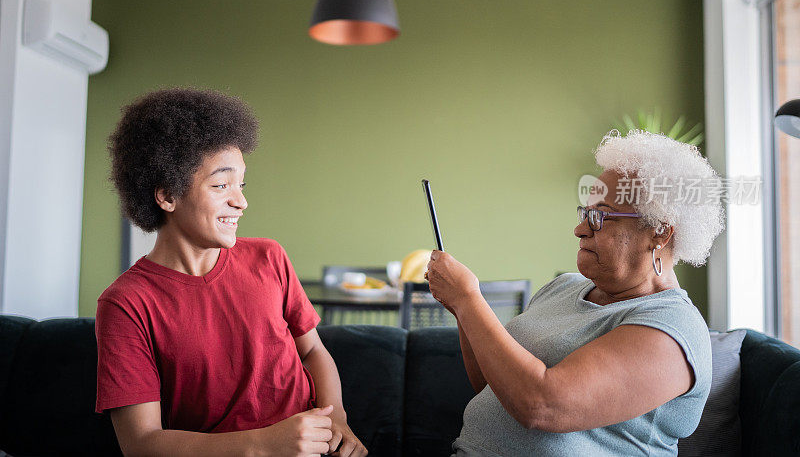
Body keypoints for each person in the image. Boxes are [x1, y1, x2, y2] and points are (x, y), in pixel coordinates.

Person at [95, 87, 367, 457]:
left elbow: (313, 351)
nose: (240, 201)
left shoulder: (270, 257)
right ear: (167, 197)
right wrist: (264, 445)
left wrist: (337, 419)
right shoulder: (126, 304)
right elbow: (141, 444)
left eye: (241, 184)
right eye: (221, 185)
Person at [425, 130, 723, 457]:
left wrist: (469, 299)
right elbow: (491, 384)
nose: (580, 229)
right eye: (585, 213)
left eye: (600, 217)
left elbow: (543, 406)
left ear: (659, 232)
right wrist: (461, 310)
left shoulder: (673, 329)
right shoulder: (562, 287)